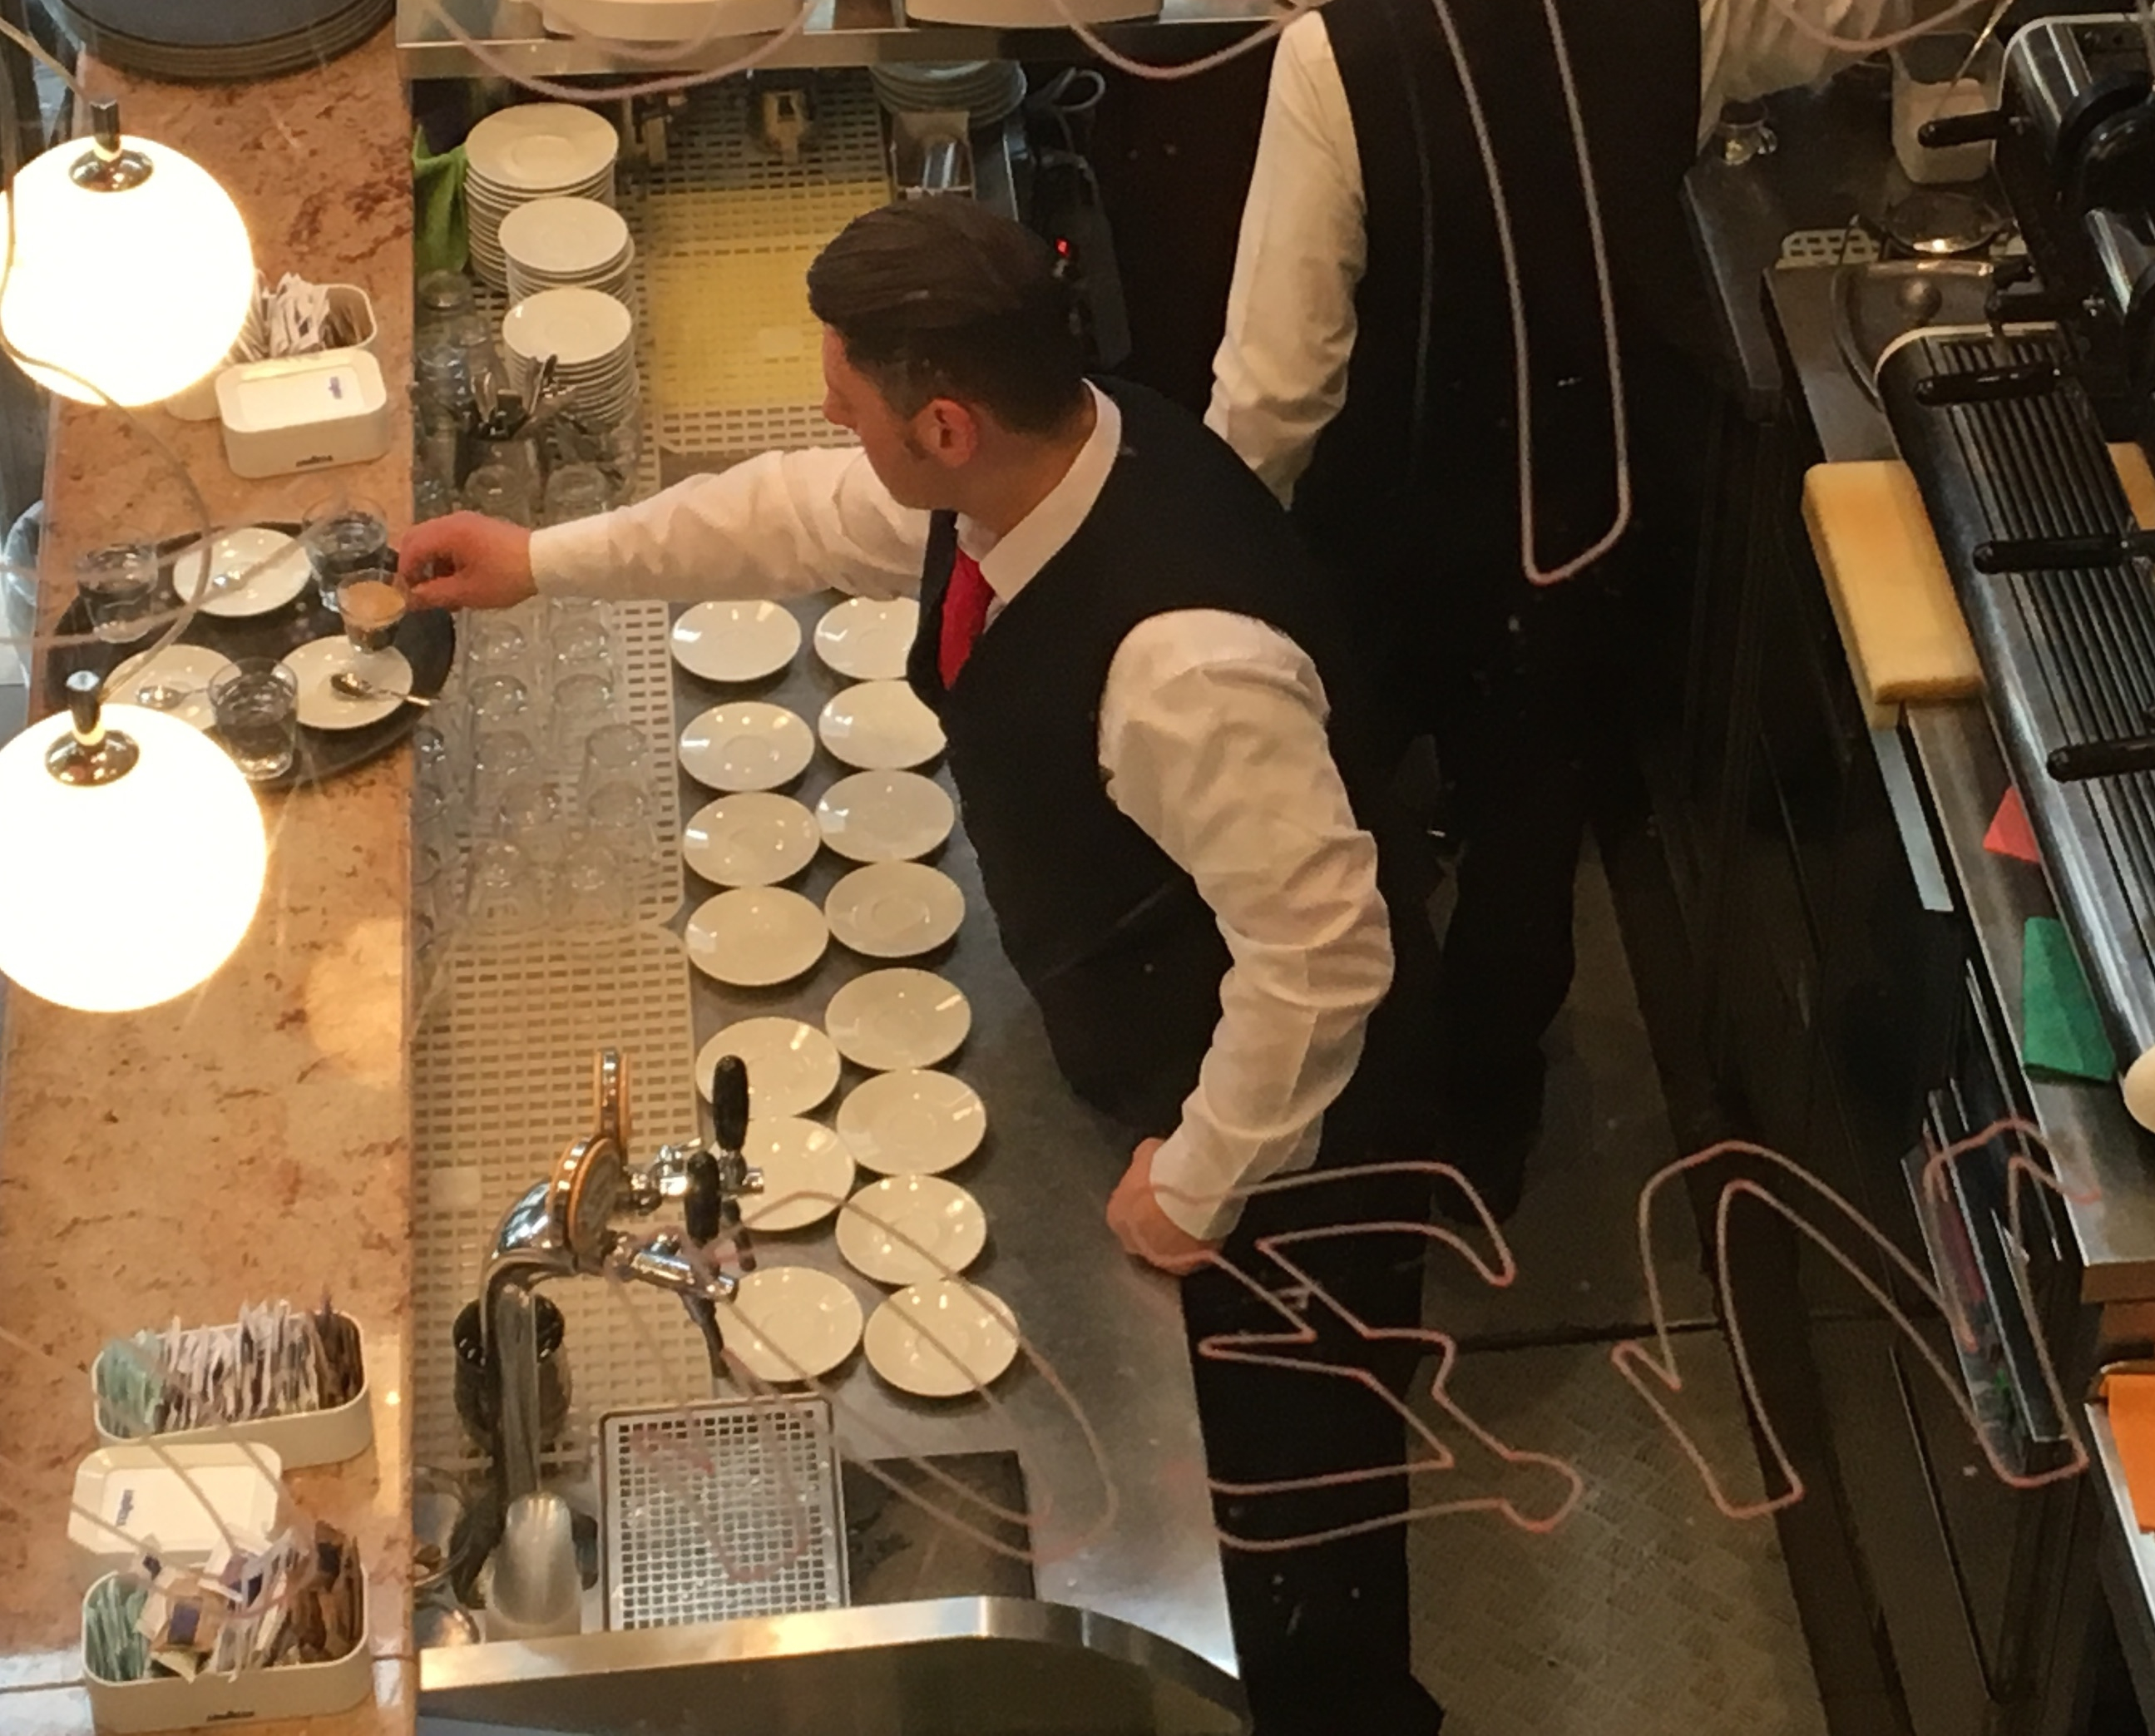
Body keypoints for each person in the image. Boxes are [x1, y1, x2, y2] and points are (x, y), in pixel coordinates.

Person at [398, 197, 1444, 1736]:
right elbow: (796, 514)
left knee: (1297, 1530)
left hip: (1302, 1144)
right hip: (1149, 1028)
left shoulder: (1181, 668)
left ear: (946, 422)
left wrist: (1203, 1178)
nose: (834, 428)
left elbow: (1324, 955)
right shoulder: (1048, 463)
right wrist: (539, 560)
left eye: (851, 403)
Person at [1207, 0, 1906, 1214]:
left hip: (1381, 547)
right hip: (1580, 530)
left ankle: (1336, 1095)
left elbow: (1277, 388)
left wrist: (1214, 569)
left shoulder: (1336, 56)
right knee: (1529, 846)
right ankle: (1483, 1132)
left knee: (1333, 817)